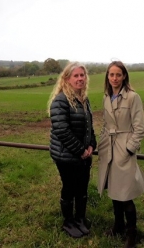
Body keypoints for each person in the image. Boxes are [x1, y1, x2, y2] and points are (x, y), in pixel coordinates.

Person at [97, 60, 144, 248]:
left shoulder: (133, 97)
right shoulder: (106, 97)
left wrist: (129, 148)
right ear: (107, 76)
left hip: (123, 150)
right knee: (114, 191)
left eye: (118, 74)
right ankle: (118, 226)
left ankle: (131, 234)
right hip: (108, 150)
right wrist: (101, 145)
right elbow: (106, 125)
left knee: (126, 194)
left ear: (124, 76)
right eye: (111, 74)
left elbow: (140, 128)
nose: (114, 78)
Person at [48, 62, 97, 238]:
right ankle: (68, 222)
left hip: (83, 155)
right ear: (67, 79)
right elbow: (62, 130)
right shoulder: (61, 100)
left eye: (82, 75)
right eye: (75, 76)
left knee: (82, 188)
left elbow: (89, 127)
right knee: (69, 188)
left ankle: (80, 218)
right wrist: (80, 151)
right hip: (66, 156)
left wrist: (92, 144)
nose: (80, 79)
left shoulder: (84, 99)